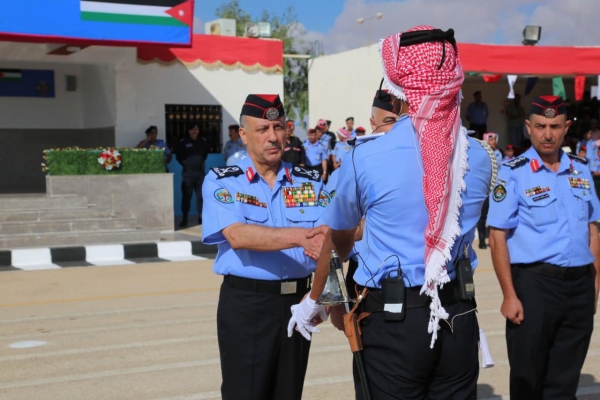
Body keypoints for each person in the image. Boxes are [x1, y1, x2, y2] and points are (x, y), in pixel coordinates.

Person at [289, 26, 495, 399]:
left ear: (398, 90)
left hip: (395, 323)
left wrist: (314, 301)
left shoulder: (366, 156)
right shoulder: (479, 155)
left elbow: (339, 244)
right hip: (459, 315)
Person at [201, 94, 329, 400]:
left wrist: (323, 295)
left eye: (278, 127)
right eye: (262, 129)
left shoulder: (309, 182)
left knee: (289, 393)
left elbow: (330, 238)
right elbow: (237, 235)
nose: (273, 137)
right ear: (244, 135)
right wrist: (300, 236)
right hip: (248, 305)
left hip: (299, 304)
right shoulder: (224, 181)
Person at [488, 95, 600, 400]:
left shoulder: (580, 170)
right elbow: (497, 237)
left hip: (578, 287)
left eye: (554, 126)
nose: (547, 134)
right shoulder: (513, 172)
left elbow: (593, 230)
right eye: (540, 126)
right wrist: (509, 295)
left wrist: (594, 285)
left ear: (567, 128)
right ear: (528, 127)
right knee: (528, 379)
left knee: (565, 380)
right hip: (535, 287)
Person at [176, 123, 209, 227]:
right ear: (189, 131)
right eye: (193, 130)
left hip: (200, 173)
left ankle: (201, 217)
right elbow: (179, 157)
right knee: (186, 197)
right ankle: (185, 218)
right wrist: (187, 165)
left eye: (197, 129)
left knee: (201, 197)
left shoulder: (203, 141)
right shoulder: (183, 142)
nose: (195, 131)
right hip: (188, 174)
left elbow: (205, 155)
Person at [477, 133, 503, 249]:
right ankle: (482, 240)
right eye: (491, 140)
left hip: (497, 189)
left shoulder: (499, 154)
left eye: (495, 140)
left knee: (496, 215)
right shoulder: (482, 153)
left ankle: (494, 239)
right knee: (482, 215)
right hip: (485, 189)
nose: (494, 142)